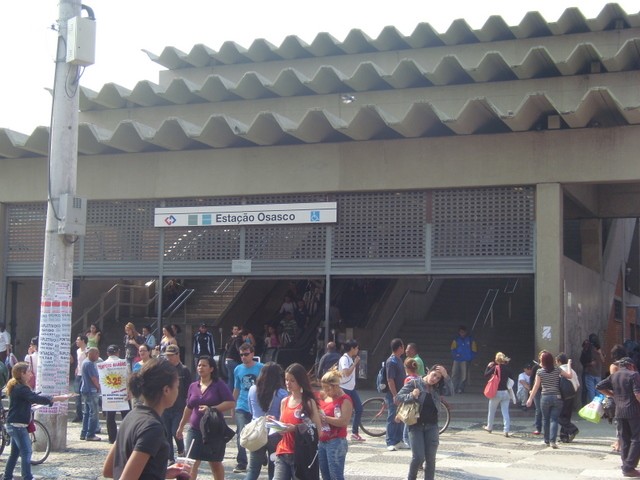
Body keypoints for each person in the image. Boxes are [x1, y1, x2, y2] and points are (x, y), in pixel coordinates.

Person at [102, 358, 191, 480]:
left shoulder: (131, 416)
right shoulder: (152, 428)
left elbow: (109, 470)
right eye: (177, 387)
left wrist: (162, 473)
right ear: (166, 390)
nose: (178, 391)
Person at [2, 362, 70, 480]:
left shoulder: (18, 387)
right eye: (28, 371)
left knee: (15, 453)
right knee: (27, 451)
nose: (30, 374)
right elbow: (36, 398)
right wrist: (57, 398)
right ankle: (27, 477)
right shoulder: (21, 388)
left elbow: (29, 400)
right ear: (22, 374)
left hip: (15, 424)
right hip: (17, 425)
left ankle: (7, 476)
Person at [176, 356, 235, 480]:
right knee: (191, 463)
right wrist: (181, 427)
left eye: (204, 365)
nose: (200, 368)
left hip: (213, 429)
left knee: (215, 463)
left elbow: (230, 402)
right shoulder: (193, 386)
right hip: (195, 429)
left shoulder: (218, 384)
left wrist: (212, 408)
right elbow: (188, 407)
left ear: (211, 368)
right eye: (199, 365)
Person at [396, 365, 451, 480]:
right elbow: (398, 397)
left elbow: (451, 392)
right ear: (429, 372)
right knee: (418, 457)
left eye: (438, 378)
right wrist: (412, 395)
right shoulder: (415, 383)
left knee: (431, 459)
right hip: (415, 425)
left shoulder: (436, 388)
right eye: (434, 375)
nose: (435, 379)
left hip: (432, 426)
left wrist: (446, 376)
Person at [270, 363, 322, 480]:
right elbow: (283, 429)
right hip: (283, 451)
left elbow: (318, 430)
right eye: (286, 380)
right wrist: (276, 425)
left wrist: (295, 428)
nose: (288, 383)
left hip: (301, 454)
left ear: (300, 381)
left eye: (292, 380)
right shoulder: (284, 401)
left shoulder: (308, 403)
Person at [597, 357, 640, 478]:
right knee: (637, 438)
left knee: (624, 439)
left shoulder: (614, 375)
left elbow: (599, 386)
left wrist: (612, 395)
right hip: (633, 411)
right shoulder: (634, 375)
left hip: (619, 411)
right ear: (631, 365)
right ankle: (629, 467)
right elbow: (637, 394)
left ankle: (626, 465)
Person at [245, 362, 288, 480]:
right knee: (274, 469)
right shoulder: (282, 393)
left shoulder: (253, 390)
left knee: (253, 469)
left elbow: (250, 410)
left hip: (257, 432)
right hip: (275, 433)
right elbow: (283, 416)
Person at [526, 351, 573, 448]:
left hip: (545, 397)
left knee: (545, 419)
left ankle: (546, 440)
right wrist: (568, 365)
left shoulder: (540, 371)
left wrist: (530, 398)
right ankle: (553, 441)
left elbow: (536, 386)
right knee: (554, 419)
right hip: (557, 397)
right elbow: (569, 376)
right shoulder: (557, 370)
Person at [233, 343, 264, 474]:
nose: (244, 357)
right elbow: (236, 388)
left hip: (257, 405)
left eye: (246, 354)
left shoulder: (261, 368)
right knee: (241, 433)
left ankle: (261, 454)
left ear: (252, 354)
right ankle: (242, 462)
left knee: (259, 432)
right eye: (241, 355)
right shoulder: (238, 369)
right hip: (242, 405)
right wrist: (232, 405)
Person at [318, 369, 353, 480]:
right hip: (322, 440)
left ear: (336, 386)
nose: (326, 391)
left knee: (336, 476)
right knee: (325, 475)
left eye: (328, 388)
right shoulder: (324, 396)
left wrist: (325, 418)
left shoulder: (345, 400)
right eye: (324, 388)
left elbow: (344, 421)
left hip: (336, 441)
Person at [162, 344, 192, 464]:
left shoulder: (184, 370)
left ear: (178, 355)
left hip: (179, 406)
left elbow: (189, 388)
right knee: (166, 433)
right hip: (165, 406)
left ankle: (181, 449)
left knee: (176, 431)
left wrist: (188, 404)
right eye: (167, 356)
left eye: (171, 355)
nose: (169, 358)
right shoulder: (164, 369)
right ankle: (170, 457)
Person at [101, 345, 130, 444]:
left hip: (109, 394)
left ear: (107, 353)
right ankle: (126, 436)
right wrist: (129, 391)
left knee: (110, 417)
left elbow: (101, 381)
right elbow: (128, 378)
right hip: (122, 392)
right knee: (126, 416)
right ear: (118, 352)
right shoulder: (123, 363)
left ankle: (112, 438)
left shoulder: (102, 365)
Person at [483, 352, 515, 437]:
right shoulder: (508, 369)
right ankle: (506, 430)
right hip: (506, 393)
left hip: (496, 392)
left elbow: (486, 375)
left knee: (492, 411)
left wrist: (488, 366)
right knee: (505, 412)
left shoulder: (495, 368)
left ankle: (489, 427)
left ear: (496, 360)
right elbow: (511, 379)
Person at [338, 339, 365, 442]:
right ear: (352, 348)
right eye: (357, 348)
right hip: (344, 388)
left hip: (351, 388)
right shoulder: (344, 359)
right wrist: (355, 363)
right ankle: (341, 432)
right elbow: (346, 373)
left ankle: (354, 432)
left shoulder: (349, 358)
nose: (358, 350)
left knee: (359, 408)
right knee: (343, 411)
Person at [385, 338, 408, 451]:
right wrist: (395, 395)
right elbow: (390, 379)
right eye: (403, 346)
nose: (404, 348)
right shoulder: (391, 361)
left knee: (401, 416)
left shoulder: (399, 359)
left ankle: (399, 440)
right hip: (394, 394)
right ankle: (390, 441)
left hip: (402, 393)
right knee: (392, 416)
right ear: (399, 347)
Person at [556, 352, 580, 443]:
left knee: (559, 417)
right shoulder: (572, 371)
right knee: (566, 417)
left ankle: (573, 429)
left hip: (562, 397)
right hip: (571, 396)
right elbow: (577, 385)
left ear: (558, 361)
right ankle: (564, 437)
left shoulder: (559, 370)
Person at [81, 347, 103, 441]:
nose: (98, 357)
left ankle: (84, 433)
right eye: (97, 354)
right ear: (93, 354)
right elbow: (94, 378)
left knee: (86, 413)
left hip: (85, 389)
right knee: (94, 413)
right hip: (91, 390)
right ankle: (90, 434)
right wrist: (99, 387)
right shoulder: (89, 364)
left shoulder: (85, 362)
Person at [450, 326, 477, 394]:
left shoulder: (471, 340)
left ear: (466, 332)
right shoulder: (456, 339)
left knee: (464, 375)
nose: (462, 333)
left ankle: (460, 388)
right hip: (457, 359)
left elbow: (474, 349)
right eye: (461, 332)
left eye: (463, 332)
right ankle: (453, 388)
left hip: (465, 360)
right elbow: (453, 349)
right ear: (459, 332)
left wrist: (470, 357)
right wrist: (455, 355)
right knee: (454, 374)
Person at [580, 333, 605, 403]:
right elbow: (603, 360)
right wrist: (599, 353)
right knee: (598, 391)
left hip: (589, 372)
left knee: (591, 392)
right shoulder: (599, 349)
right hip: (598, 373)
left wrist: (589, 364)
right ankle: (598, 407)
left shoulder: (588, 348)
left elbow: (582, 359)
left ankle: (593, 407)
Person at [73, 334, 88, 423]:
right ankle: (79, 415)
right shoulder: (78, 351)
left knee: (85, 395)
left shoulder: (88, 350)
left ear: (83, 341)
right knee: (76, 394)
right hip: (78, 374)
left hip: (85, 375)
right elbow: (79, 362)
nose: (76, 341)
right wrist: (76, 368)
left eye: (78, 340)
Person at [223, 326, 243, 392]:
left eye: (237, 329)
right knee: (237, 378)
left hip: (227, 360)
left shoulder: (231, 339)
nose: (236, 331)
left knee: (231, 378)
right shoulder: (238, 339)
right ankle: (236, 393)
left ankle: (229, 394)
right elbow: (239, 349)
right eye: (235, 329)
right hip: (233, 360)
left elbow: (226, 347)